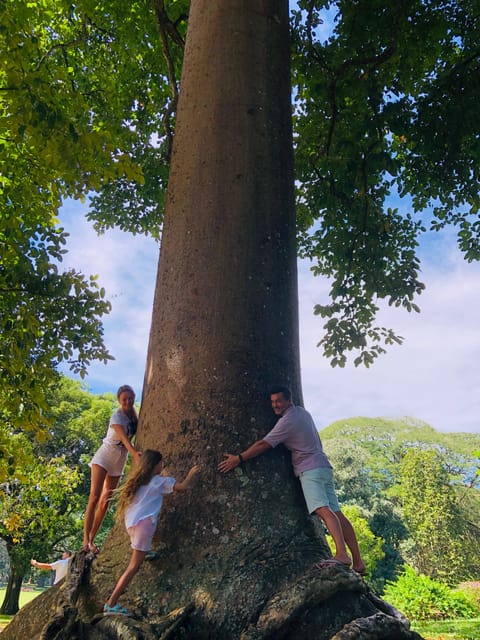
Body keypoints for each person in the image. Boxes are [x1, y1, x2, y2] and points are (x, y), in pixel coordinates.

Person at [217, 385, 367, 575]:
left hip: (310, 469)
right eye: (272, 402)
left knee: (322, 509)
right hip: (322, 466)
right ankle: (358, 562)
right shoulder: (302, 413)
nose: (275, 405)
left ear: (289, 400)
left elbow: (264, 444)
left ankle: (341, 554)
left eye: (279, 401)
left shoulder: (288, 420)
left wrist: (239, 458)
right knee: (336, 512)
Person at [103, 449, 200, 616]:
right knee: (133, 567)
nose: (163, 465)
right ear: (155, 465)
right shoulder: (159, 482)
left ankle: (144, 552)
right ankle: (111, 604)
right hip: (143, 528)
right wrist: (191, 474)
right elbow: (182, 487)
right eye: (161, 463)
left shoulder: (138, 483)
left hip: (132, 526)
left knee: (140, 549)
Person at [83, 384, 141, 553]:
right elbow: (124, 439)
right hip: (106, 455)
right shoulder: (117, 417)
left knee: (105, 501)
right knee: (94, 497)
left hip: (119, 459)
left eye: (130, 398)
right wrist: (135, 455)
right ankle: (85, 540)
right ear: (119, 400)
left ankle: (92, 539)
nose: (128, 402)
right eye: (124, 399)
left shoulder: (134, 414)